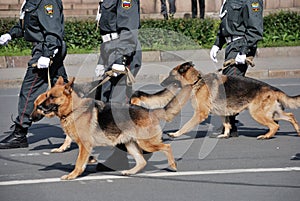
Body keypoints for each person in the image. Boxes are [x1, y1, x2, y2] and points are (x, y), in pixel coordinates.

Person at [0, 0, 68, 149]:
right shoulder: (31, 1)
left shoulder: (46, 1)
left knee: (29, 90)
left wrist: (48, 53)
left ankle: (20, 133)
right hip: (44, 48)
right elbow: (27, 26)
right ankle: (85, 123)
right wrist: (11, 34)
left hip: (46, 50)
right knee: (65, 89)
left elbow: (53, 30)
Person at [94, 0, 143, 171]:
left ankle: (120, 157)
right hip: (110, 51)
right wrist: (102, 61)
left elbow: (128, 29)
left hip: (123, 54)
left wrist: (121, 60)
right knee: (106, 102)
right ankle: (120, 151)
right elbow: (108, 34)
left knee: (118, 106)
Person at [209, 0, 263, 138]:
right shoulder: (229, 1)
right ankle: (230, 124)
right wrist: (217, 43)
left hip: (241, 45)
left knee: (229, 85)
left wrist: (244, 51)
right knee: (230, 85)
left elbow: (255, 28)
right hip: (231, 45)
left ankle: (230, 126)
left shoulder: (250, 1)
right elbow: (225, 25)